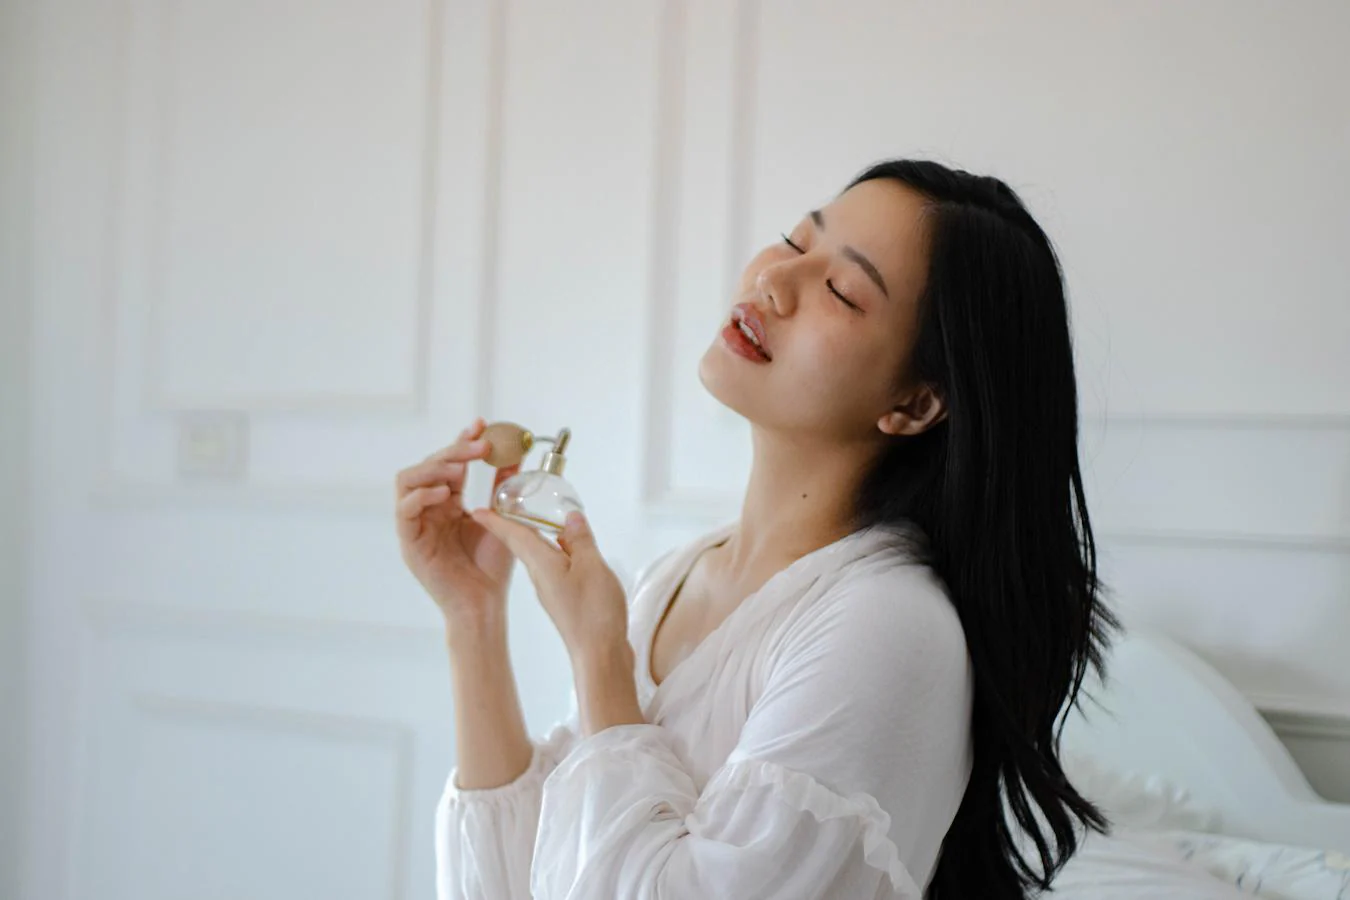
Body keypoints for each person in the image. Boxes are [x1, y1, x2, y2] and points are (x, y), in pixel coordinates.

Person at [395, 158, 1118, 899]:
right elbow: (520, 884)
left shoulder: (888, 626)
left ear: (915, 403)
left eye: (841, 290)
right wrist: (473, 619)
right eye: (796, 241)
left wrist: (600, 655)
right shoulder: (677, 577)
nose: (774, 279)